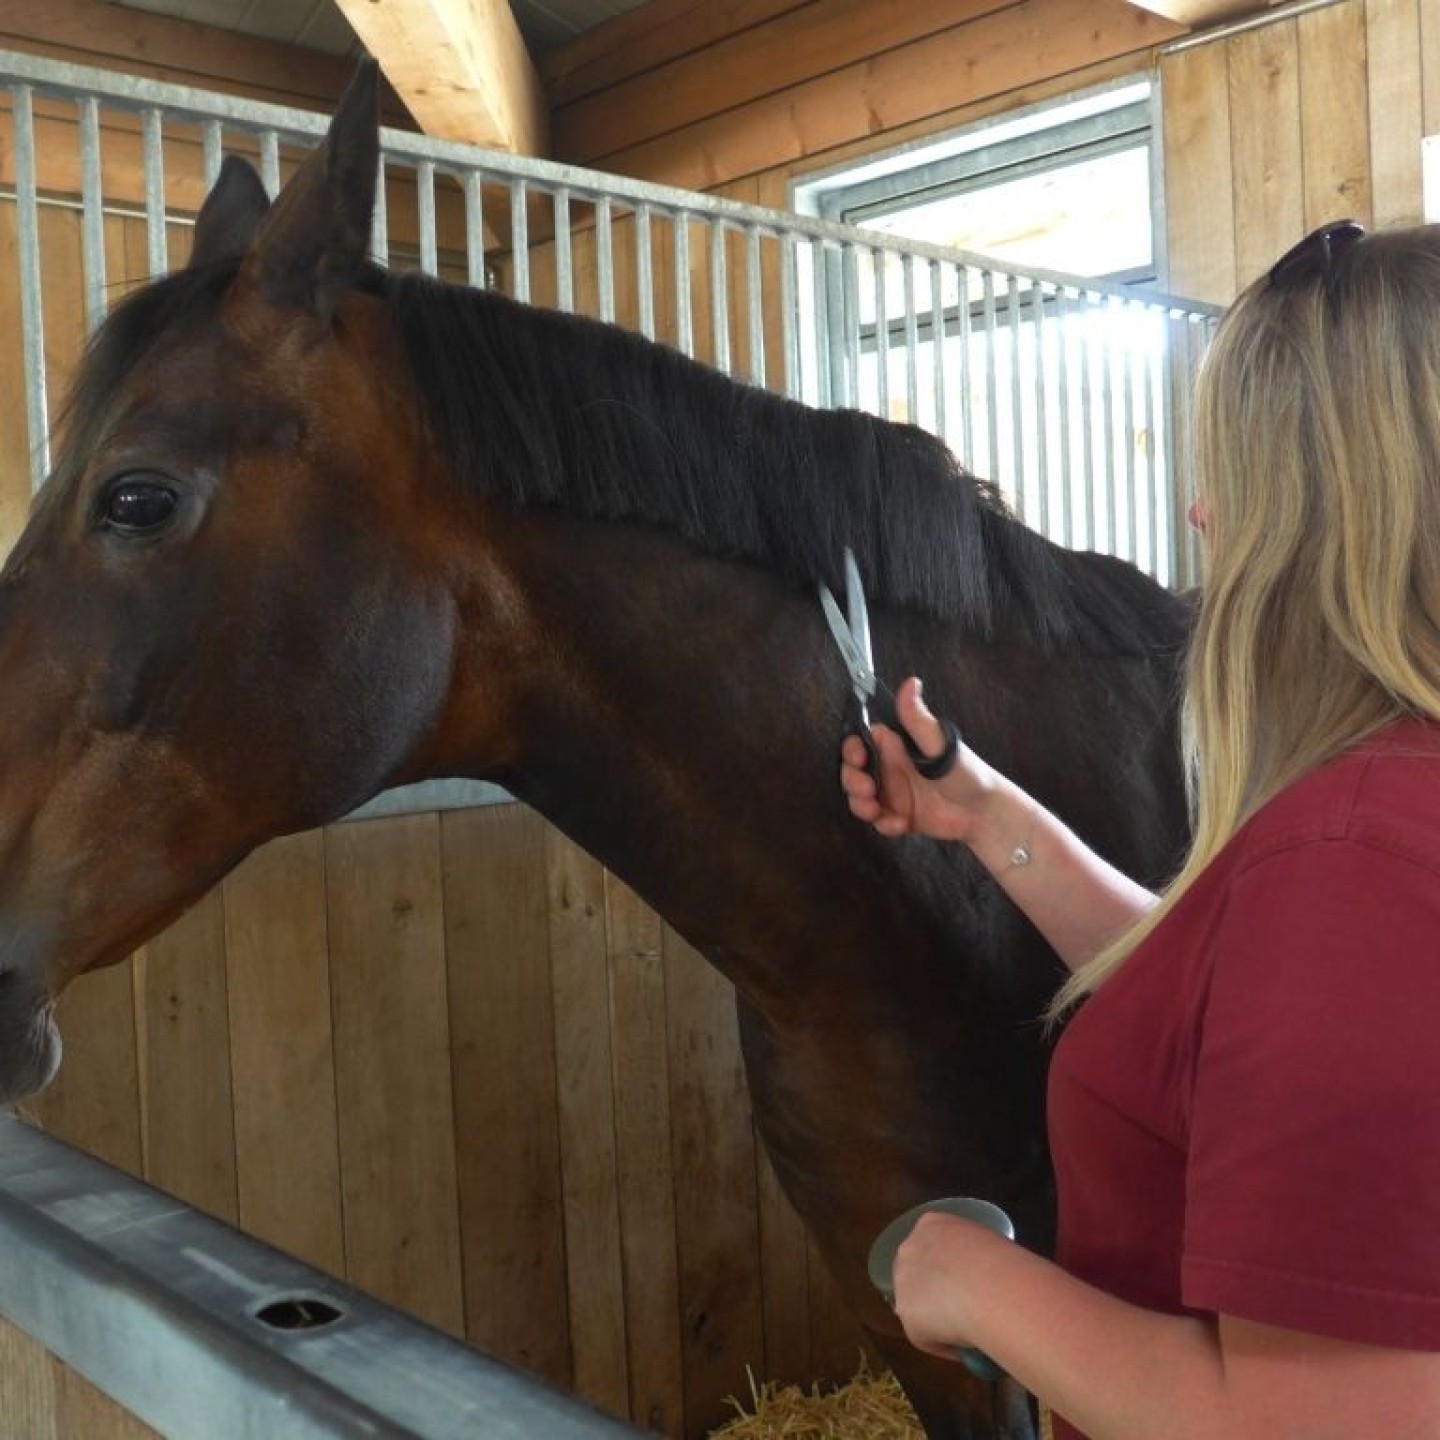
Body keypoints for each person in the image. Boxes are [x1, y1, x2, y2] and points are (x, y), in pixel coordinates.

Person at [841, 220, 1440, 1440]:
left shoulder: (1350, 857)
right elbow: (1224, 1013)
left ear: (1332, 516)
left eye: (1241, 473)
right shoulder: (1382, 817)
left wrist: (979, 1282)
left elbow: (1324, 1428)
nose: (1204, 514)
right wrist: (993, 820)